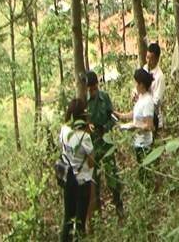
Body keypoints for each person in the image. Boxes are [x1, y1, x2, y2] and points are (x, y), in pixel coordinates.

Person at [86, 70, 123, 214]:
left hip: (106, 143)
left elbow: (113, 117)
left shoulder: (105, 97)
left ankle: (118, 204)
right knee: (94, 179)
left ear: (98, 85)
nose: (93, 92)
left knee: (112, 174)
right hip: (92, 146)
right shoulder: (84, 101)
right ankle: (97, 212)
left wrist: (105, 127)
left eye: (95, 89)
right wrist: (88, 126)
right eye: (91, 90)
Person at [59, 98, 94, 242]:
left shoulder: (64, 130)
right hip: (82, 181)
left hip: (67, 179)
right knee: (80, 222)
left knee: (68, 218)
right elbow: (91, 163)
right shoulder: (85, 137)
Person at [117, 68, 155, 187]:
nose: (135, 86)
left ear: (141, 85)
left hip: (144, 145)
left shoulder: (147, 101)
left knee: (145, 176)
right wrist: (122, 116)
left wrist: (136, 127)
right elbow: (137, 114)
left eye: (136, 83)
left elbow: (149, 125)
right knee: (141, 174)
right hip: (138, 143)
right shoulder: (141, 98)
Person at [132, 41, 166, 130]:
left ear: (157, 59)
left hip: (154, 117)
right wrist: (135, 94)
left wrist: (143, 101)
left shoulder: (159, 77)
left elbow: (157, 101)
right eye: (147, 57)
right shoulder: (145, 69)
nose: (148, 61)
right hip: (142, 116)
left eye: (151, 59)